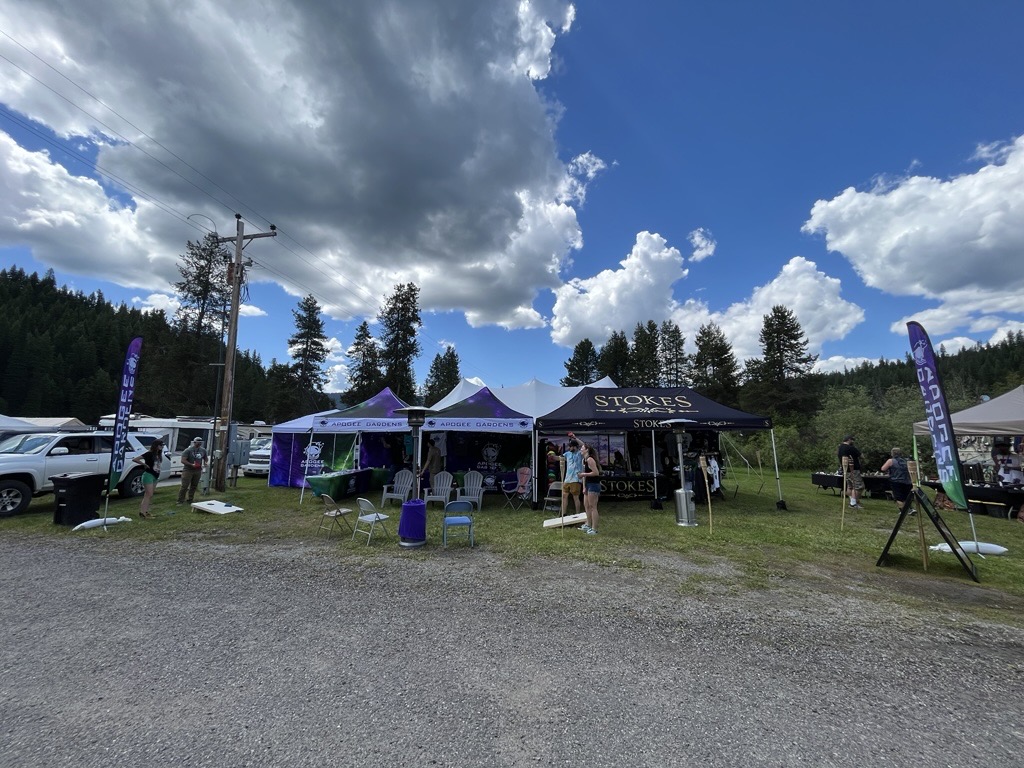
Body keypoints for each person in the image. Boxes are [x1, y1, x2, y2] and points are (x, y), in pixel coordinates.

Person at [132, 439, 165, 518]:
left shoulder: (159, 454)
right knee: (148, 494)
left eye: (162, 445)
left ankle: (146, 511)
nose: (162, 447)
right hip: (148, 475)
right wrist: (144, 464)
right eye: (160, 445)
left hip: (155, 475)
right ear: (156, 445)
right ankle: (142, 512)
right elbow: (135, 459)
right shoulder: (149, 453)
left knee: (150, 495)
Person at [580, 443, 601, 535]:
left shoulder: (590, 459)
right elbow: (584, 475)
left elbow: (596, 473)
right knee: (586, 505)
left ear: (587, 450)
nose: (580, 449)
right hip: (588, 484)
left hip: (594, 484)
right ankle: (588, 524)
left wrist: (584, 474)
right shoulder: (584, 460)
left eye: (582, 448)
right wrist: (584, 487)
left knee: (593, 507)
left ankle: (594, 529)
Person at [837, 435, 864, 509]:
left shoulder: (840, 447)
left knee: (850, 486)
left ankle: (852, 500)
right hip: (853, 469)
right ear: (849, 440)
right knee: (858, 486)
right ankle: (853, 503)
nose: (853, 442)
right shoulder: (851, 448)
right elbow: (862, 456)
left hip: (845, 469)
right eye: (852, 440)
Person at [560, 434, 583, 520]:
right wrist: (552, 457)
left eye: (571, 447)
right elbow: (560, 458)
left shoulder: (580, 453)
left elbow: (583, 445)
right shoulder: (567, 454)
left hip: (576, 479)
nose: (569, 448)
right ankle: (563, 514)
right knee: (564, 496)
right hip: (567, 479)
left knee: (575, 497)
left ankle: (578, 514)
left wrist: (575, 437)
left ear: (575, 447)